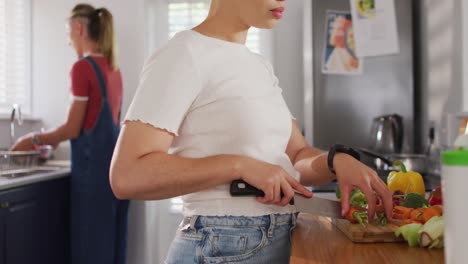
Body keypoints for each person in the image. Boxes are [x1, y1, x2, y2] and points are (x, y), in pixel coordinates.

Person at [110, 0, 392, 263]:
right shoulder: (182, 53)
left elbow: (295, 157)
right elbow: (127, 174)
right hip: (221, 243)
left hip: (279, 235)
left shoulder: (259, 66)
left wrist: (334, 161)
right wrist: (238, 166)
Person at [11, 4, 129, 264]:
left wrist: (31, 140)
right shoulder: (114, 69)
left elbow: (72, 128)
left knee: (90, 253)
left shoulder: (83, 67)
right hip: (117, 178)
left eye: (68, 33)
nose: (68, 40)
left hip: (93, 181)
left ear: (78, 28)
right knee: (112, 254)